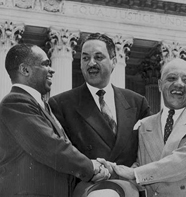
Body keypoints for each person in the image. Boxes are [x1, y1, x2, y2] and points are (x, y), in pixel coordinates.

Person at [0, 44, 110, 197]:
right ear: (25, 70)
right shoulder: (15, 103)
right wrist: (91, 168)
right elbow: (51, 147)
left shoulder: (40, 104)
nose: (52, 70)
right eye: (45, 64)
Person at [49, 33, 150, 196]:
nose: (91, 63)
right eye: (85, 58)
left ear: (114, 62)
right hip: (87, 190)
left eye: (98, 57)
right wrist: (90, 169)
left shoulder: (137, 103)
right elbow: (58, 155)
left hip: (128, 190)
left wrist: (129, 172)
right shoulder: (60, 105)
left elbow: (150, 151)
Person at [107, 58, 186, 197]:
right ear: (160, 85)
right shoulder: (145, 124)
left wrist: (135, 173)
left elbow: (185, 160)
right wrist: (114, 170)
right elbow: (140, 164)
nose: (179, 84)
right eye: (172, 78)